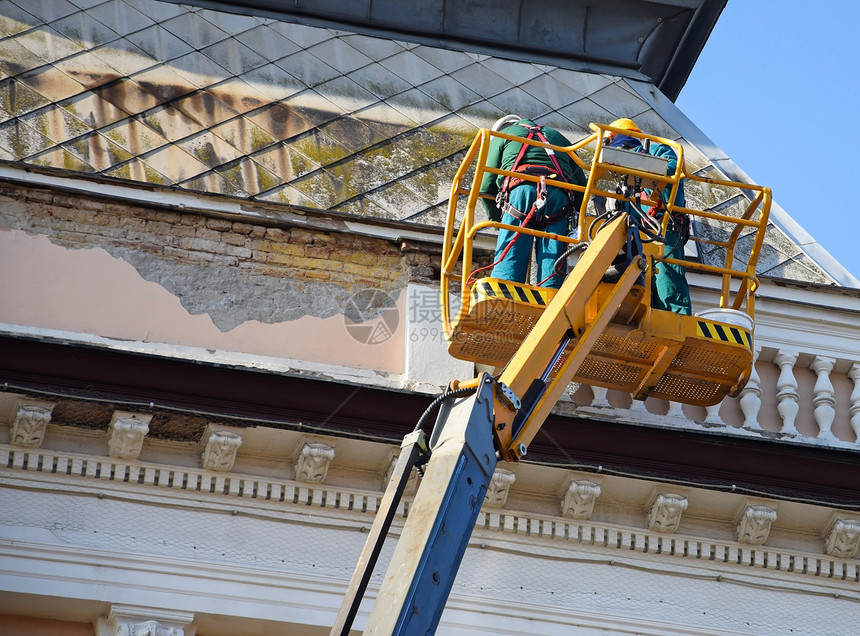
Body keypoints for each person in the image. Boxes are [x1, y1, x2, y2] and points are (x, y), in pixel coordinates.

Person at [479, 115, 586, 289]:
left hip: (521, 192)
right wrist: (577, 219)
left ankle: (505, 288)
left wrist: (497, 221)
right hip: (559, 195)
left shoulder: (503, 135)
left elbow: (485, 185)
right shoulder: (557, 136)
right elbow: (581, 184)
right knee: (554, 251)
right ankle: (550, 296)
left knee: (512, 250)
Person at [605, 118, 691, 315]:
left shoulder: (657, 151)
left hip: (663, 226)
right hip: (636, 234)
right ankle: (648, 314)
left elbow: (672, 170)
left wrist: (640, 166)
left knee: (666, 275)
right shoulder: (620, 176)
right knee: (643, 277)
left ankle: (675, 316)